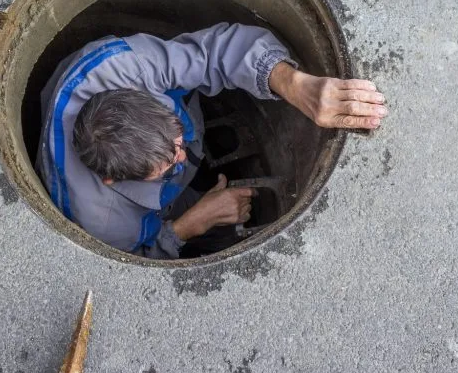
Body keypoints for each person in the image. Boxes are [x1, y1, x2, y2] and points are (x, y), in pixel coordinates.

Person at [36, 23, 388, 259]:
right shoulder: (104, 222)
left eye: (177, 137)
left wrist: (294, 85)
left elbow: (215, 54)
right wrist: (190, 225)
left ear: (136, 93)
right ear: (112, 179)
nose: (182, 154)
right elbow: (130, 267)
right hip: (153, 212)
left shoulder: (122, 66)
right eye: (167, 165)